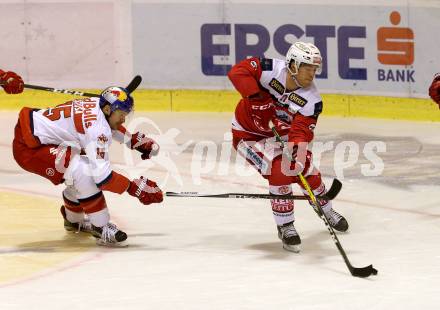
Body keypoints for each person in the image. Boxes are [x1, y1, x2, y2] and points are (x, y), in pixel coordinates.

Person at [228, 41, 348, 252]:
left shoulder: (312, 100)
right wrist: (256, 97)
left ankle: (326, 209)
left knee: (305, 169)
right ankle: (286, 225)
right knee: (279, 171)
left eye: (314, 69)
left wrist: (297, 150)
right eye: (307, 68)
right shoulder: (268, 69)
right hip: (248, 135)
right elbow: (237, 72)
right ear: (292, 65)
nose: (312, 74)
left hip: (280, 135)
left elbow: (301, 130)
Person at [12, 85, 163, 246]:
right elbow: (104, 179)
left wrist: (131, 140)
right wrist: (134, 188)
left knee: (77, 171)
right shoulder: (97, 131)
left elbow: (109, 124)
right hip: (29, 148)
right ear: (107, 109)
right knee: (85, 173)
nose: (123, 119)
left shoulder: (98, 104)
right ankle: (100, 227)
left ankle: (73, 221)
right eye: (121, 115)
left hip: (33, 133)